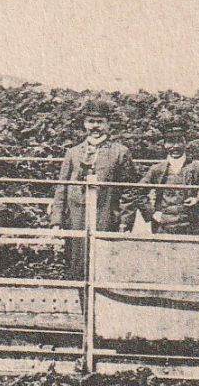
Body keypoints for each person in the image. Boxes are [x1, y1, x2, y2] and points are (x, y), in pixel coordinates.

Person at [48, 97, 137, 278]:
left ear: (108, 124)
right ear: (84, 124)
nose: (95, 127)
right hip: (76, 218)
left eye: (100, 122)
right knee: (77, 266)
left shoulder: (120, 152)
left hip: (106, 216)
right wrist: (56, 220)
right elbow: (61, 188)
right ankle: (82, 305)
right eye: (90, 122)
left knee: (104, 266)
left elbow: (129, 191)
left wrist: (125, 221)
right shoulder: (72, 153)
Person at [138, 123, 199, 236]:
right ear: (164, 144)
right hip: (164, 227)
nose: (175, 146)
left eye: (179, 141)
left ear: (186, 143)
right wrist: (152, 213)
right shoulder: (157, 169)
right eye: (170, 142)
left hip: (193, 227)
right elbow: (138, 192)